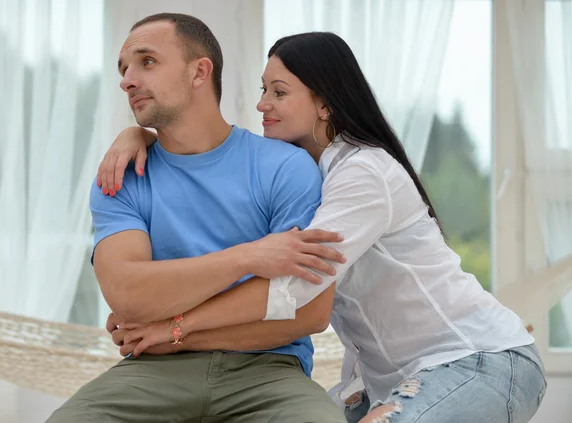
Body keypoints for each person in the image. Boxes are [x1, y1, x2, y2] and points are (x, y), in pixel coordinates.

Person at [98, 30, 548, 423]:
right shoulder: (313, 175)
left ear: (325, 105)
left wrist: (173, 328)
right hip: (389, 381)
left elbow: (295, 287)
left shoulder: (363, 173)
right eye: (262, 89)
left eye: (279, 91)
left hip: (476, 361)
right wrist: (140, 133)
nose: (261, 104)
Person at [47, 13, 350, 423]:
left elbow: (309, 312)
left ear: (199, 71)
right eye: (123, 69)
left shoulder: (286, 168)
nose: (127, 80)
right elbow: (127, 295)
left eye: (147, 61)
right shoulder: (118, 178)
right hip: (149, 374)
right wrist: (247, 257)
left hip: (270, 374)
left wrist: (172, 332)